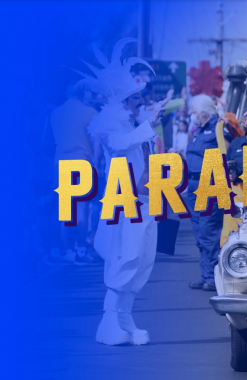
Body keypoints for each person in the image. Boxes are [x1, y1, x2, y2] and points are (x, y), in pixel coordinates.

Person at [80, 39, 167, 345]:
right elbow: (116, 145)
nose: (139, 101)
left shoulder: (132, 122)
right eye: (134, 98)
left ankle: (125, 319)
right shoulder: (107, 121)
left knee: (143, 259)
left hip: (145, 198)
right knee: (125, 255)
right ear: (122, 99)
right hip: (126, 198)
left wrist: (147, 123)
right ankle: (108, 321)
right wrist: (147, 126)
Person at [50, 81, 99, 266]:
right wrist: (97, 162)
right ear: (83, 92)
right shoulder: (90, 112)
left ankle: (59, 250)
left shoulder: (55, 113)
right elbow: (97, 142)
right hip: (82, 160)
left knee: (62, 210)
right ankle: (80, 250)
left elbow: (50, 138)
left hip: (61, 160)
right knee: (81, 209)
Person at [186, 94, 232, 292]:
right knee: (199, 233)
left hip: (210, 183)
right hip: (194, 185)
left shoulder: (219, 127)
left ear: (203, 111)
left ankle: (214, 277)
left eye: (193, 111)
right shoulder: (199, 130)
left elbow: (227, 155)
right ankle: (206, 275)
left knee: (208, 232)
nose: (191, 115)